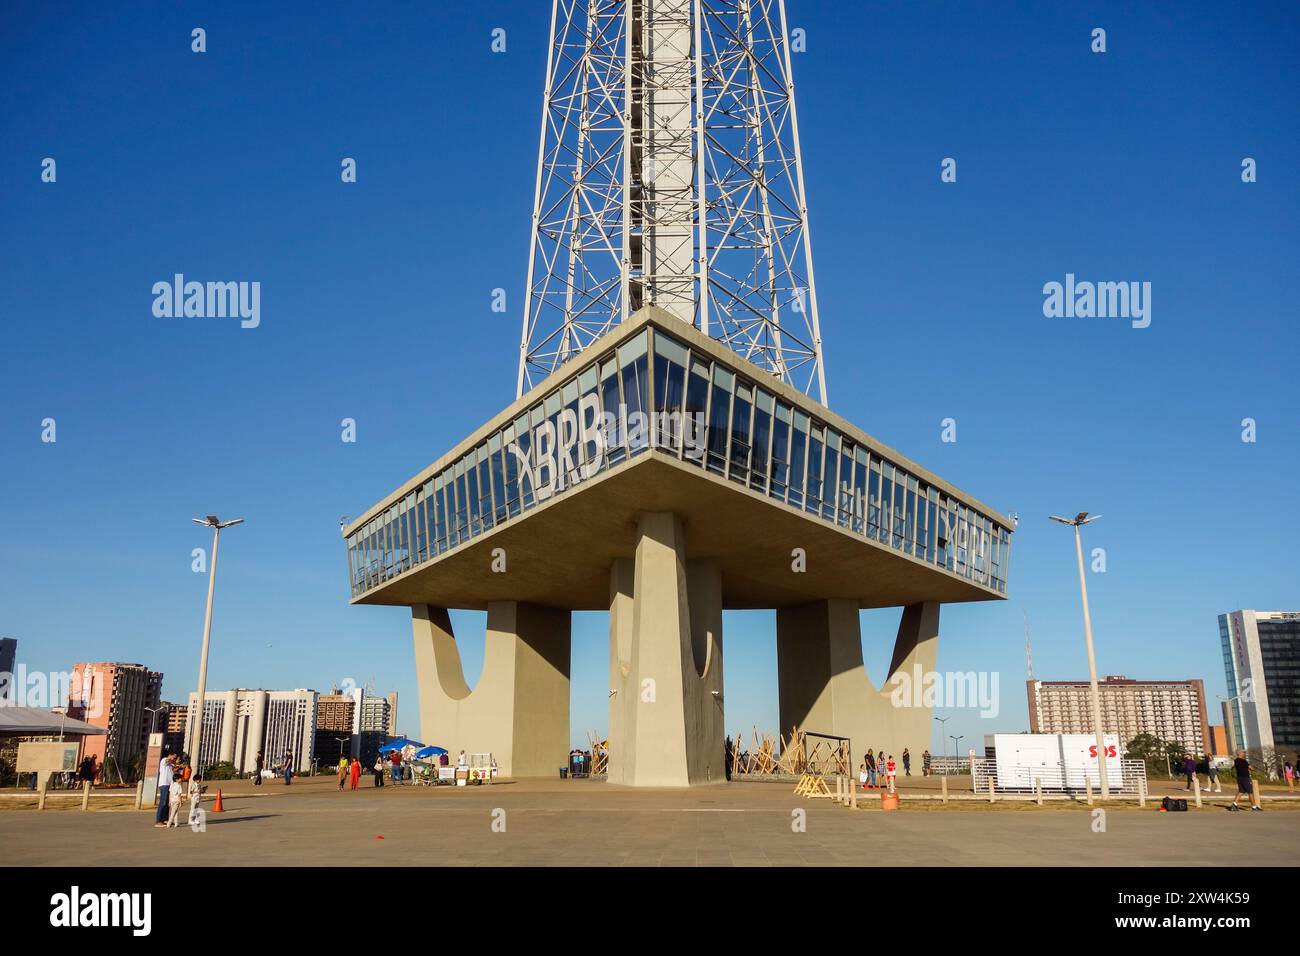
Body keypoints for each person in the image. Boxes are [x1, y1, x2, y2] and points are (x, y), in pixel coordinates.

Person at [154, 755, 175, 829]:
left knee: (167, 803)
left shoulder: (170, 764)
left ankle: (165, 819)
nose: (174, 759)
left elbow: (173, 769)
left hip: (170, 785)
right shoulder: (164, 761)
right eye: (174, 757)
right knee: (163, 802)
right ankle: (158, 821)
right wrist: (171, 758)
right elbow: (167, 759)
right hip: (164, 784)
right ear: (170, 755)